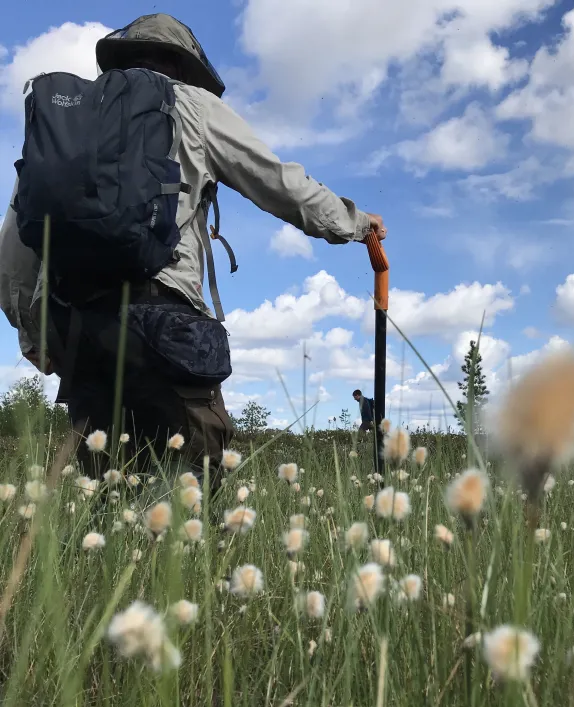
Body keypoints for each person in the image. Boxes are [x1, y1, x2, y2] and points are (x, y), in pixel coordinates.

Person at [0, 14, 387, 481]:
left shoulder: (66, 123)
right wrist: (357, 222)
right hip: (160, 314)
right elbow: (281, 184)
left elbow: (15, 246)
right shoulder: (192, 105)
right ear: (181, 65)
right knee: (191, 486)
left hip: (74, 325)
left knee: (104, 491)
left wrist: (33, 333)